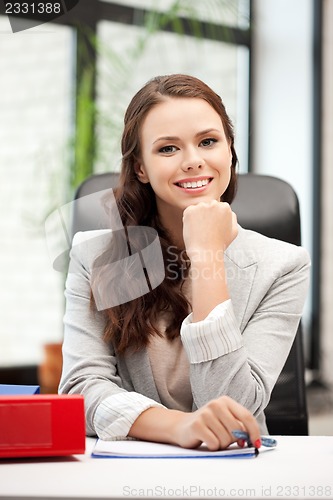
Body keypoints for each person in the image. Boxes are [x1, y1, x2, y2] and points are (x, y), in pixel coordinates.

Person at [59, 74, 310, 451]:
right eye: (167, 149)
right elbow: (81, 390)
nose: (193, 161)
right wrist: (179, 427)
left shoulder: (284, 265)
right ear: (140, 167)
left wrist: (208, 255)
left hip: (238, 475)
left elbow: (233, 410)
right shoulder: (92, 255)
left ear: (229, 152)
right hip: (125, 466)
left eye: (208, 142)